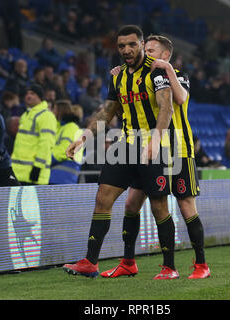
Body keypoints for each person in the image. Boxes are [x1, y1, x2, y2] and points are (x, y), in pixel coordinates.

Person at [63, 25, 177, 279]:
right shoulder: (117, 76)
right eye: (121, 46)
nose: (126, 50)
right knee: (103, 197)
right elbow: (108, 112)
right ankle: (91, 262)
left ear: (141, 43)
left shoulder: (156, 70)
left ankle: (169, 267)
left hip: (153, 145)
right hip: (126, 146)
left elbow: (166, 108)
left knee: (159, 206)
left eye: (132, 45)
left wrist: (156, 139)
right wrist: (82, 137)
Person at [100, 35, 211, 279]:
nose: (145, 53)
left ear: (165, 55)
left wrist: (168, 69)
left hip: (179, 150)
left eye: (151, 50)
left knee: (185, 205)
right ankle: (128, 262)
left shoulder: (178, 74)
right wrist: (124, 73)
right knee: (131, 204)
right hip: (151, 151)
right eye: (145, 49)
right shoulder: (144, 76)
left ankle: (201, 265)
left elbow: (180, 98)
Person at [11, 84, 57, 185]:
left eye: (32, 93)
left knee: (30, 201)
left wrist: (37, 167)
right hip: (19, 173)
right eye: (27, 93)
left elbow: (46, 144)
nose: (28, 96)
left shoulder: (46, 116)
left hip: (34, 174)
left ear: (40, 97)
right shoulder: (25, 115)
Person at [49, 100, 83, 184]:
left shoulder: (71, 127)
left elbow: (65, 149)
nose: (52, 112)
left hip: (63, 175)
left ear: (59, 111)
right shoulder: (61, 127)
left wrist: (47, 159)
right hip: (57, 174)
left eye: (54, 109)